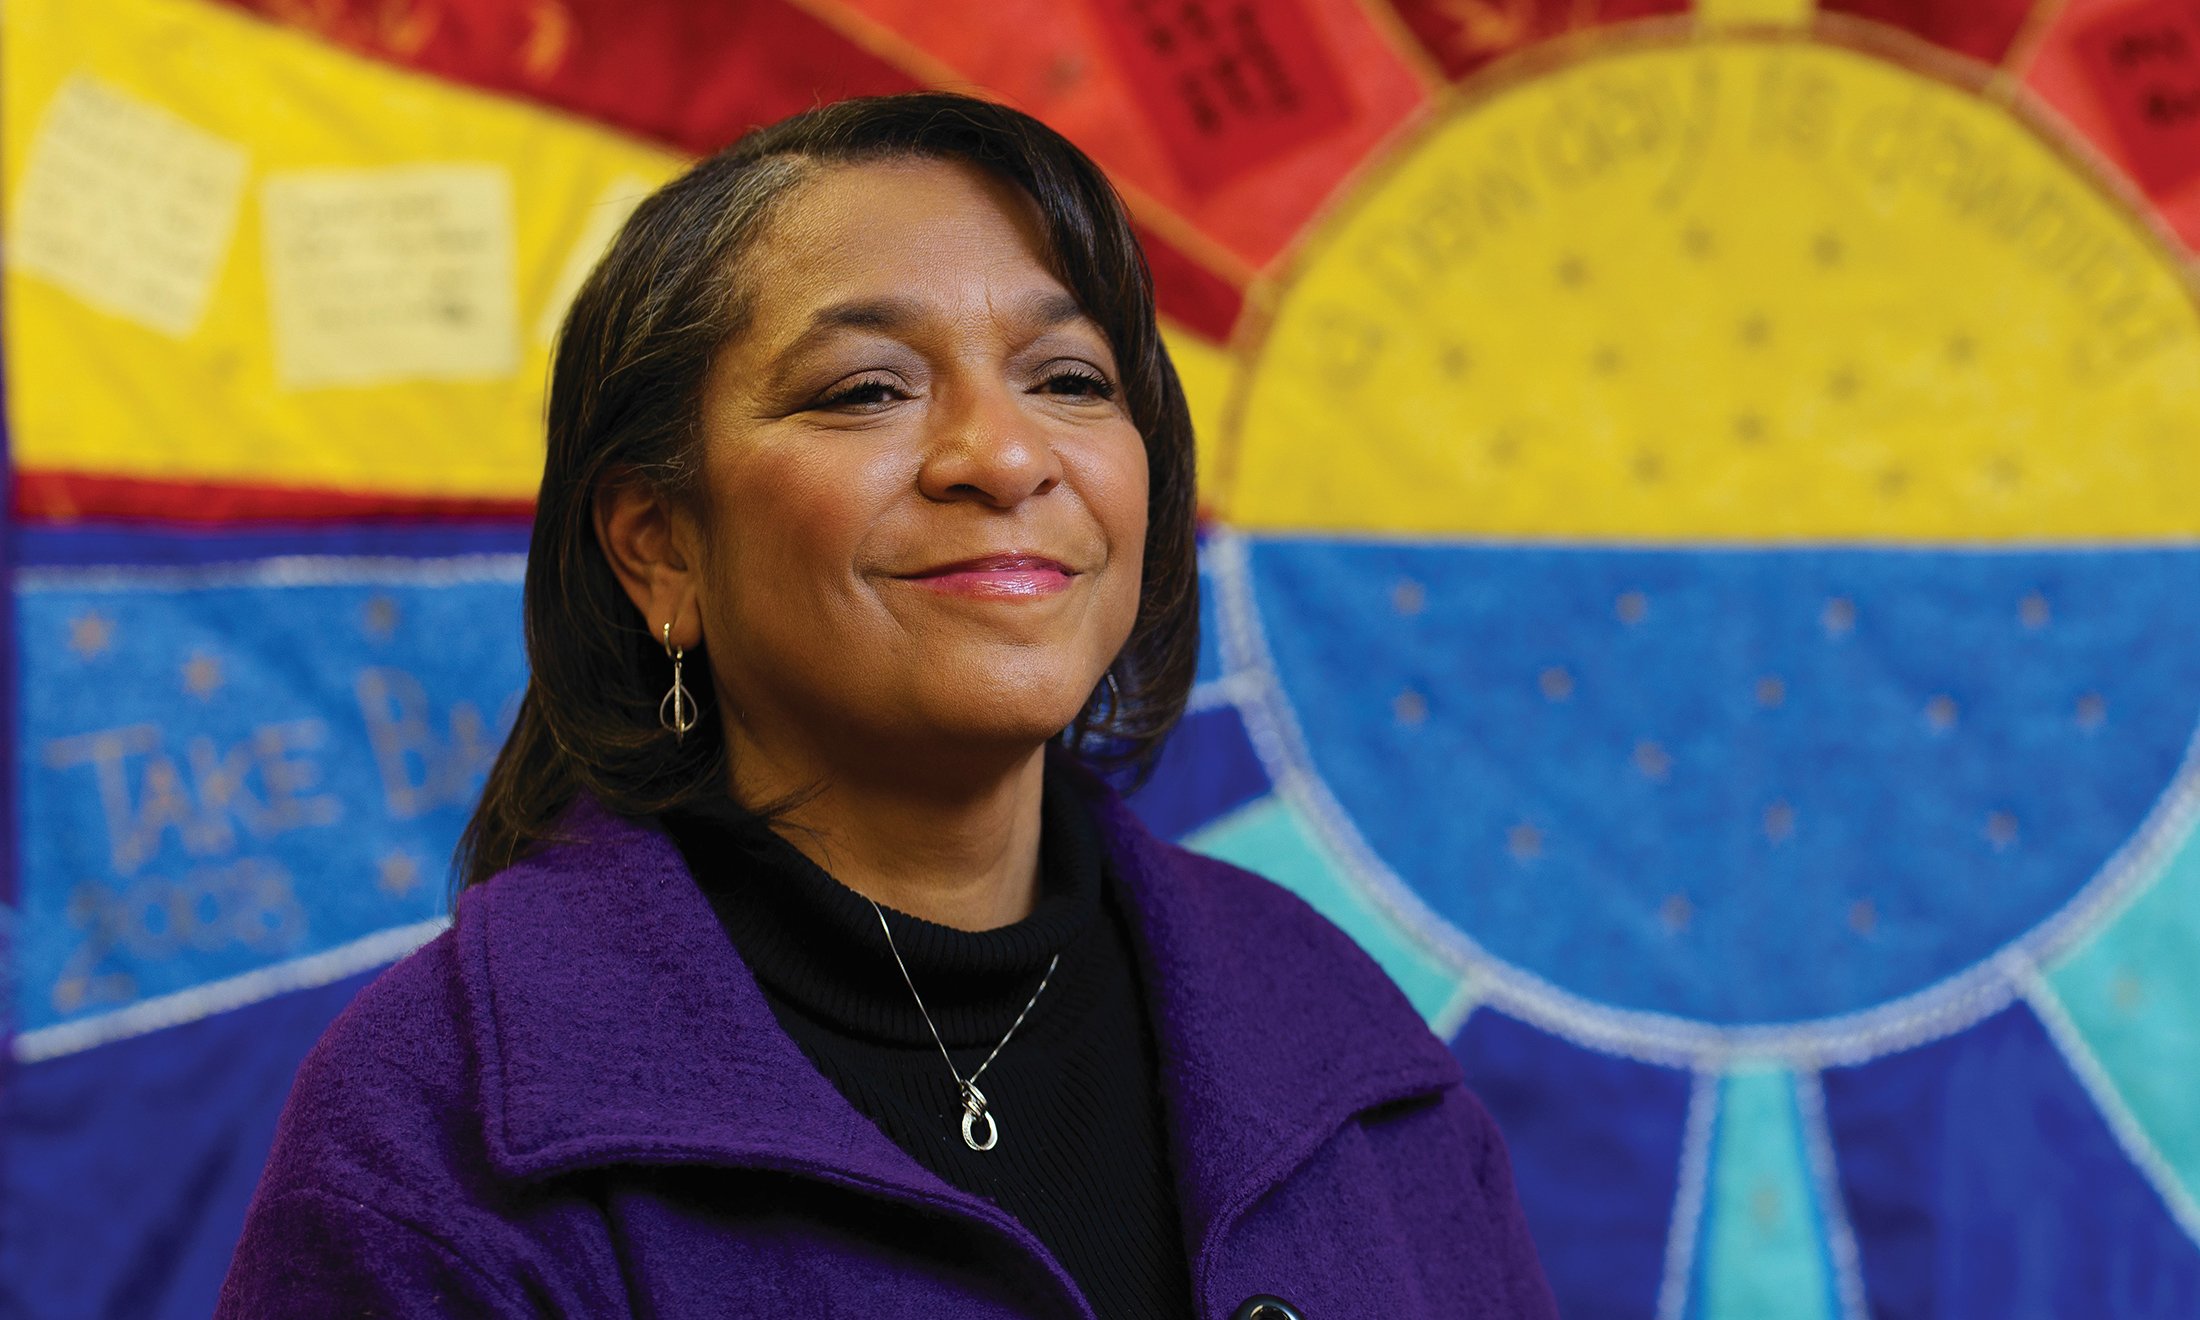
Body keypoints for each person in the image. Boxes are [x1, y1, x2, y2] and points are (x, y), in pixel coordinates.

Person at [217, 92, 1559, 1319]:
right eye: (868, 390)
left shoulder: (1344, 1046)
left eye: (1071, 380)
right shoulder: (428, 1133)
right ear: (660, 549)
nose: (1004, 453)